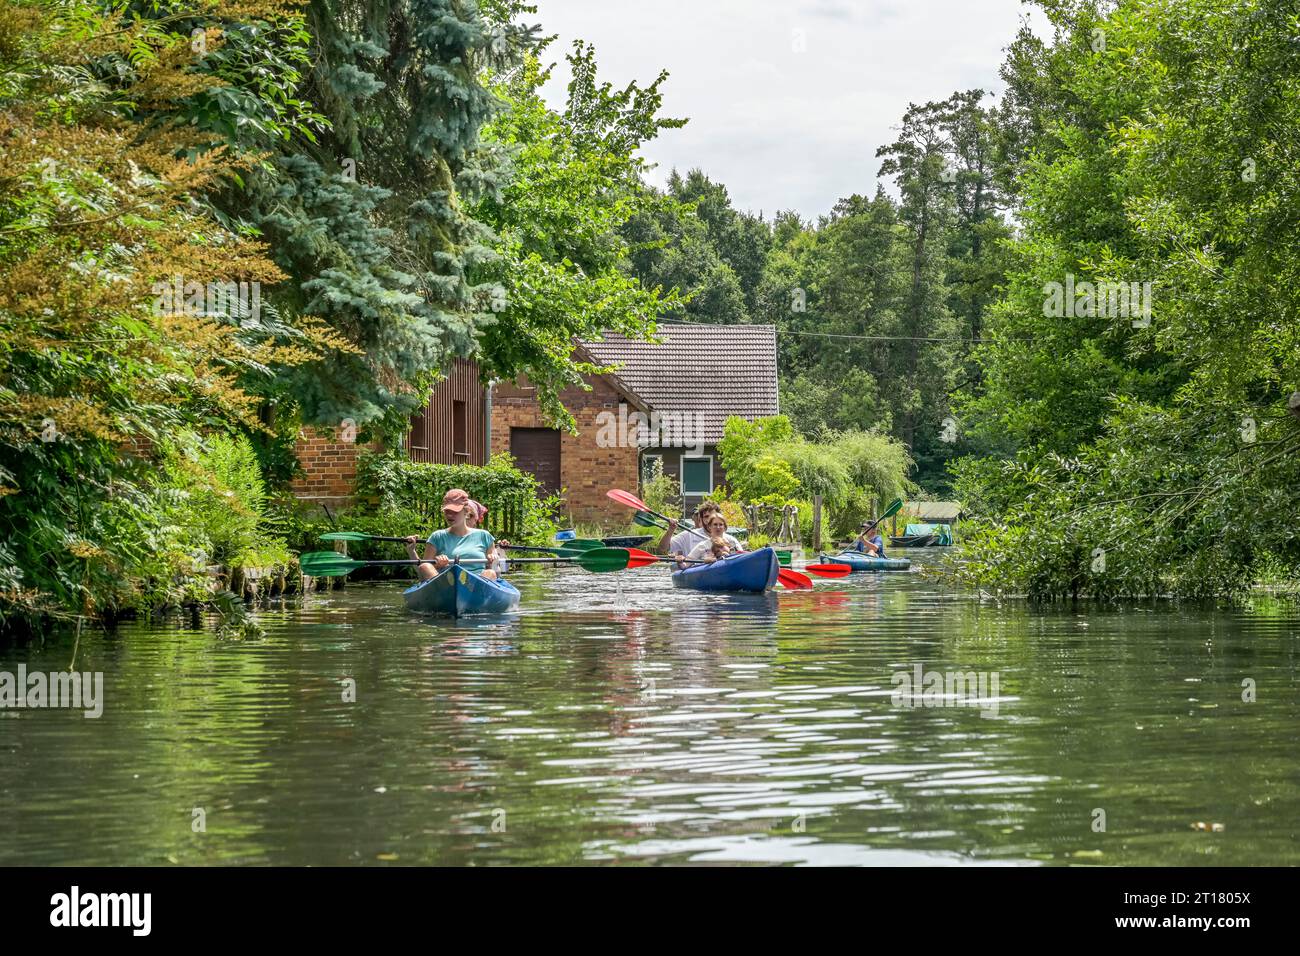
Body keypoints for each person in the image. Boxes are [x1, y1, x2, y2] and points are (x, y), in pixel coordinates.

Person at [404, 488, 502, 581]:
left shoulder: (484, 536)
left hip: (475, 585)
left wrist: (493, 560)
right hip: (445, 584)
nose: (450, 515)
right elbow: (422, 574)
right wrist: (436, 565)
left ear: (466, 511)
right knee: (425, 566)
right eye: (447, 511)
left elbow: (496, 571)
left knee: (490, 573)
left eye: (455, 511)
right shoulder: (436, 536)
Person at [658, 500, 724, 567]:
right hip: (695, 572)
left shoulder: (729, 539)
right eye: (706, 517)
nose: (709, 520)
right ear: (701, 519)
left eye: (712, 517)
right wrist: (670, 530)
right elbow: (663, 548)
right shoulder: (689, 535)